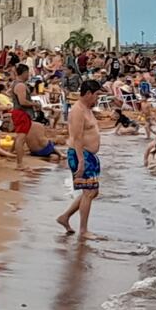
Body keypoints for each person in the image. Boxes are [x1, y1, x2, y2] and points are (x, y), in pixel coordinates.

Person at [56, 80, 104, 240]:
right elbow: (76, 138)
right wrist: (81, 161)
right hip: (80, 155)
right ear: (89, 93)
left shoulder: (87, 109)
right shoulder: (77, 111)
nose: (98, 98)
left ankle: (65, 217)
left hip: (90, 155)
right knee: (89, 192)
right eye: (97, 95)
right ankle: (83, 230)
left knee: (92, 191)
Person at [10, 64, 41, 170]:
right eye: (28, 73)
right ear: (24, 73)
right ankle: (19, 164)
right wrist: (34, 104)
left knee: (19, 136)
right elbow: (22, 101)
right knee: (21, 138)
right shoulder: (20, 86)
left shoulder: (18, 84)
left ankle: (11, 153)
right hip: (21, 113)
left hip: (20, 113)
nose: (28, 75)